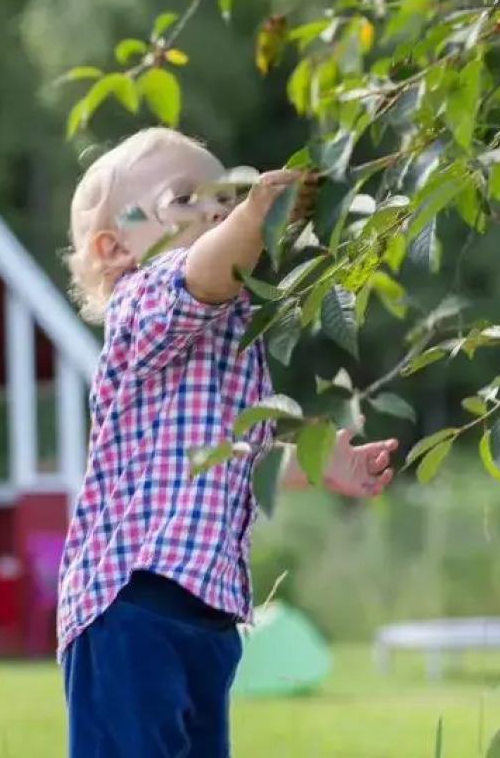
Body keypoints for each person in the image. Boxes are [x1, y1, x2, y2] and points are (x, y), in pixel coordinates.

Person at [58, 126, 399, 758]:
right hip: (130, 607)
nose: (215, 211)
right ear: (113, 247)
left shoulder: (225, 340)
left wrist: (325, 463)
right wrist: (255, 214)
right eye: (186, 199)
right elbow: (207, 272)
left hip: (204, 617)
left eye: (224, 197)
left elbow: (236, 457)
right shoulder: (144, 301)